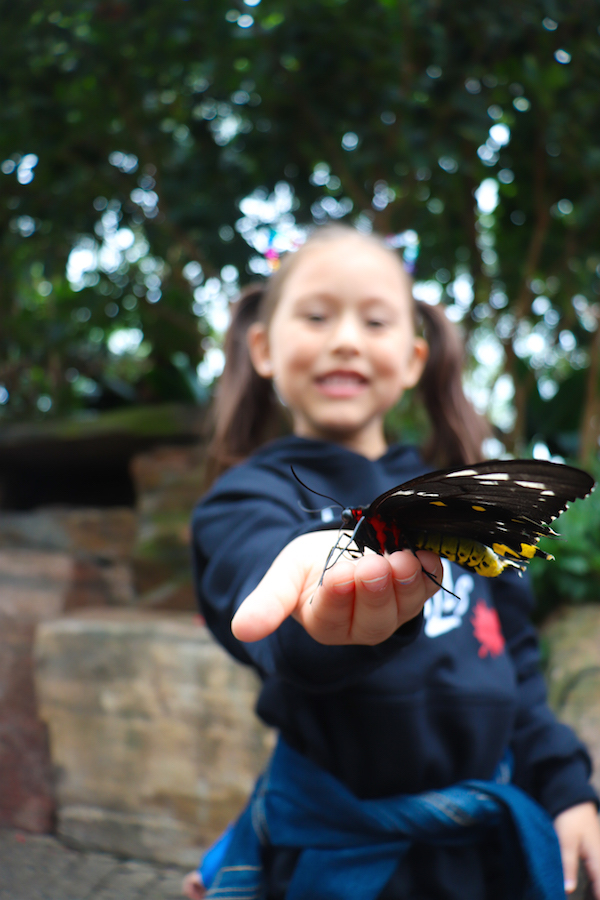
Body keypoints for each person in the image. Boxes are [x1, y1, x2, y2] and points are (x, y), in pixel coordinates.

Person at [185, 224, 600, 899]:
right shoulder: (245, 497)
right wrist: (309, 602)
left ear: (412, 360)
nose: (345, 338)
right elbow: (257, 570)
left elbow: (518, 665)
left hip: (488, 854)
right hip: (343, 857)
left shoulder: (459, 496)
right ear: (262, 348)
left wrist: (565, 788)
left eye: (373, 320)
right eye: (316, 316)